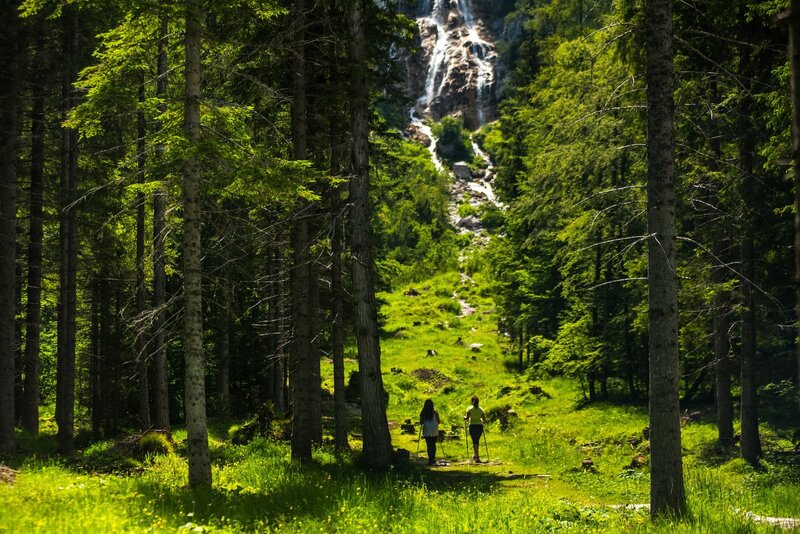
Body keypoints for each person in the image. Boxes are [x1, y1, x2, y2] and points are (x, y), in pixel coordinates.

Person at [464, 395, 485, 462]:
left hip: (472, 426)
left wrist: (464, 417)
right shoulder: (481, 409)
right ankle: (475, 455)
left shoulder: (469, 409)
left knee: (474, 441)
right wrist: (480, 420)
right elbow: (484, 419)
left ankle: (476, 456)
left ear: (472, 401)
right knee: (477, 441)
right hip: (479, 426)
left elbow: (467, 419)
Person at [419, 399, 440, 465]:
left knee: (429, 444)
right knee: (433, 444)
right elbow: (438, 421)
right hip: (434, 429)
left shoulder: (423, 413)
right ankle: (433, 458)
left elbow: (421, 422)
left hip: (427, 429)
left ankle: (430, 459)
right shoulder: (435, 412)